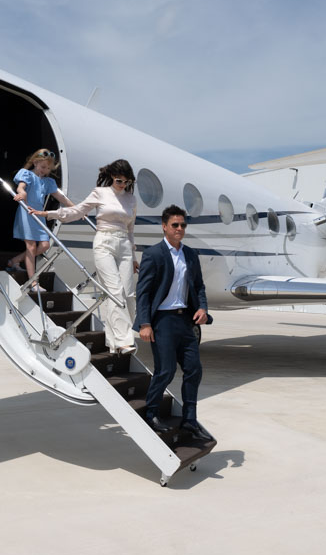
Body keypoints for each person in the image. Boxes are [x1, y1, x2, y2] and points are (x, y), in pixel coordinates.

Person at [34, 159, 138, 354]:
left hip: (124, 244)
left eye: (126, 182)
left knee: (129, 295)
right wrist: (48, 214)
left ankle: (117, 339)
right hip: (104, 242)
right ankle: (123, 341)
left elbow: (131, 230)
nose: (122, 185)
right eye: (118, 181)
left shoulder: (131, 199)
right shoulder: (100, 192)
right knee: (115, 292)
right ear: (111, 178)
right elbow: (77, 211)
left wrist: (133, 257)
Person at [135, 205, 214, 444]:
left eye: (183, 225)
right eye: (175, 225)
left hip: (185, 320)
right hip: (163, 321)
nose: (180, 229)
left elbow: (199, 286)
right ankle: (150, 414)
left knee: (194, 370)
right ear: (164, 226)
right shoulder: (153, 254)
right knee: (166, 370)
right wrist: (145, 323)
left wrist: (202, 308)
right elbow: (144, 292)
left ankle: (190, 419)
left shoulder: (190, 254)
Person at [11, 149, 72, 287]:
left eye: (49, 168)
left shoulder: (48, 182)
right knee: (31, 246)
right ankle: (33, 282)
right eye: (43, 167)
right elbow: (21, 187)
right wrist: (22, 193)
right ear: (35, 163)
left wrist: (76, 209)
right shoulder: (27, 175)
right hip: (27, 212)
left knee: (45, 245)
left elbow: (60, 197)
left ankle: (15, 260)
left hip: (39, 214)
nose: (46, 170)